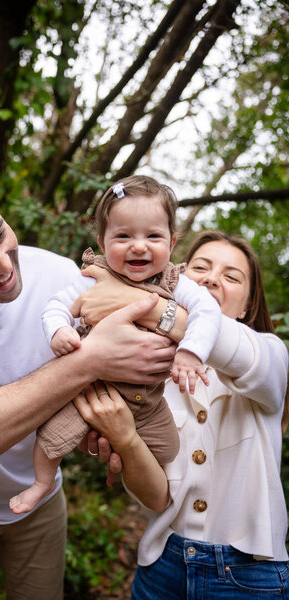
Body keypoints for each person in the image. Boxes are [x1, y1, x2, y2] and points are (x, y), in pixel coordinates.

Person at [0, 162, 181, 600]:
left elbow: (169, 326)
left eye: (0, 235)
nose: (3, 263)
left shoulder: (60, 275)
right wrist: (88, 361)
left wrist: (114, 430)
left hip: (41, 499)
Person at [73, 230, 289, 599]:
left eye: (231, 276)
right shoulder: (146, 375)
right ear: (178, 280)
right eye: (200, 268)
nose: (211, 278)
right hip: (162, 568)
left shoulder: (270, 355)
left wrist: (139, 302)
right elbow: (155, 500)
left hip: (251, 576)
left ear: (247, 306)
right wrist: (124, 439)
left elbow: (229, 344)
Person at [9, 176, 221, 515]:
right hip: (92, 391)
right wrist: (58, 330)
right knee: (51, 438)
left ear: (172, 241)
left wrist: (190, 351)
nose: (138, 246)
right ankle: (41, 483)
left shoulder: (175, 281)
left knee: (168, 450)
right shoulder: (92, 276)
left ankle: (134, 473)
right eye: (123, 236)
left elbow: (207, 311)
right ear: (102, 241)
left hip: (149, 403)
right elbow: (56, 306)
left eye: (153, 236)